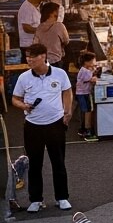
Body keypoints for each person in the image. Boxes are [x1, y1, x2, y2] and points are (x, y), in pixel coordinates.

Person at [11, 44, 73, 212]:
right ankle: (36, 199)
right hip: (33, 125)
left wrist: (68, 112)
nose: (29, 60)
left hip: (56, 123)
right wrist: (23, 106)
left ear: (43, 56)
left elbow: (67, 91)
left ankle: (62, 197)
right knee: (34, 163)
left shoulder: (60, 74)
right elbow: (15, 99)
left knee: (58, 162)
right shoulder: (24, 77)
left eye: (32, 56)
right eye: (27, 56)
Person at [75, 51, 99, 141]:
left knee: (84, 111)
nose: (95, 63)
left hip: (80, 93)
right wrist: (96, 76)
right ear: (87, 62)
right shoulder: (85, 71)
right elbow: (92, 80)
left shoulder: (83, 69)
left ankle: (82, 129)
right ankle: (88, 131)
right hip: (85, 93)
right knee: (88, 111)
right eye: (93, 61)